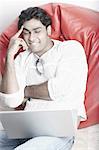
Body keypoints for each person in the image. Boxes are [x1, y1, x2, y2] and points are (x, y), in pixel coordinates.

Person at [0, 7, 88, 150]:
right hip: (26, 129)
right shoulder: (22, 58)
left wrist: (24, 91)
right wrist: (10, 55)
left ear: (48, 30)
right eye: (26, 33)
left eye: (37, 31)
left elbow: (57, 89)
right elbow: (11, 101)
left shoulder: (70, 49)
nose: (31, 38)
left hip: (59, 132)